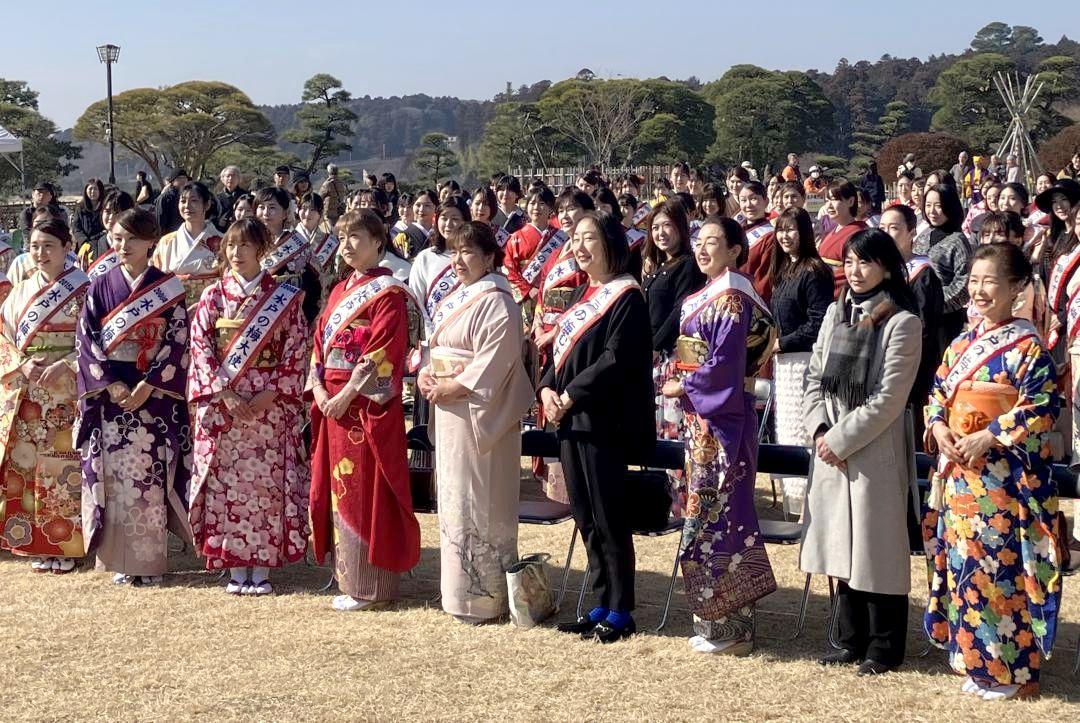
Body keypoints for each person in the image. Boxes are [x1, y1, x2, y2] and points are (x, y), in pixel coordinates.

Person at [924, 242, 1063, 700]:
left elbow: (1043, 404)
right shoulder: (963, 342)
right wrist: (939, 426)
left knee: (1001, 569)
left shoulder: (1027, 346)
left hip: (1003, 479)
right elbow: (938, 393)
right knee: (965, 566)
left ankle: (1014, 672)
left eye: (991, 282)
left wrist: (992, 434)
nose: (980, 291)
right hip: (962, 476)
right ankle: (977, 661)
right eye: (974, 281)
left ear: (1017, 287)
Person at [801, 228, 922, 676]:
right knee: (842, 543)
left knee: (878, 548)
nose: (854, 271)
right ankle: (848, 639)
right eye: (849, 262)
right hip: (831, 441)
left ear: (887, 266)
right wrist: (818, 428)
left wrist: (839, 439)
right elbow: (815, 375)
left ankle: (884, 645)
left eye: (865, 262)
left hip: (874, 449)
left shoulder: (902, 322)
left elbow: (890, 398)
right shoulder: (838, 312)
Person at [660, 215, 778, 655]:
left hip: (721, 421)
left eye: (714, 242)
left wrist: (684, 384)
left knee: (722, 514)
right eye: (700, 241)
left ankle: (733, 629)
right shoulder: (706, 296)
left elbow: (725, 366)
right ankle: (713, 621)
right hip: (702, 420)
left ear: (735, 250)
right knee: (704, 512)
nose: (704, 249)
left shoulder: (731, 298)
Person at [540, 211, 654, 643]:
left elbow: (615, 359)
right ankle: (599, 602)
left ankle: (622, 609)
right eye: (575, 239)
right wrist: (548, 390)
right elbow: (559, 358)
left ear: (610, 243)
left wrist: (569, 396)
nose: (580, 247)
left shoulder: (627, 297)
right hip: (570, 422)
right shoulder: (580, 298)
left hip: (603, 422)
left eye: (589, 238)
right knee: (586, 516)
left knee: (609, 517)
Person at [417, 221, 533, 622]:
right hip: (450, 411)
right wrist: (427, 373)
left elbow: (497, 359)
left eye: (468, 252)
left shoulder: (499, 300)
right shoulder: (458, 297)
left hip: (476, 412)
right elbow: (433, 347)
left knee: (480, 497)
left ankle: (485, 597)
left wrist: (456, 384)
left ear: (489, 257)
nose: (459, 260)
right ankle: (457, 593)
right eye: (455, 251)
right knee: (454, 497)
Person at [187, 218, 310, 595]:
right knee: (228, 487)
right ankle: (235, 564)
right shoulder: (213, 297)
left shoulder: (284, 298)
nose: (236, 254)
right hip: (226, 408)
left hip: (269, 410)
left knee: (266, 488)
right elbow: (201, 349)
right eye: (230, 247)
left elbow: (296, 351)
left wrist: (270, 395)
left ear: (262, 250)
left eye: (245, 246)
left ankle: (263, 566)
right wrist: (224, 393)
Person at [307, 210, 419, 611]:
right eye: (342, 237)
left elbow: (383, 351)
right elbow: (319, 347)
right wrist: (320, 389)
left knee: (366, 490)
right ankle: (348, 578)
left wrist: (346, 394)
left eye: (357, 236)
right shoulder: (338, 291)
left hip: (364, 408)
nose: (348, 245)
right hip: (334, 406)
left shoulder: (388, 292)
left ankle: (372, 586)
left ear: (377, 241)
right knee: (339, 491)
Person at [75, 208, 191, 586]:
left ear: (150, 241)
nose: (122, 246)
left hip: (151, 397)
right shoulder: (99, 285)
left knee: (148, 480)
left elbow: (176, 342)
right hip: (112, 395)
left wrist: (149, 385)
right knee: (113, 478)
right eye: (117, 238)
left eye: (132, 239)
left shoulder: (168, 289)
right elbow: (87, 341)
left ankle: (148, 563)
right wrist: (110, 383)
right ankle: (117, 561)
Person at [0, 219, 90, 574]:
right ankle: (35, 542)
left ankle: (65, 544)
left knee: (62, 466)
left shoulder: (84, 289)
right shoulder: (19, 291)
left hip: (66, 389)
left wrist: (67, 363)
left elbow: (94, 341)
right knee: (27, 464)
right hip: (30, 390)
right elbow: (3, 336)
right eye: (35, 246)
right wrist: (22, 364)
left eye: (49, 245)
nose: (40, 253)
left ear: (67, 246)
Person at [766, 208, 833, 515]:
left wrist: (783, 342)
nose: (785, 236)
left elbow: (819, 322)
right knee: (788, 432)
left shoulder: (813, 270)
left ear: (804, 232)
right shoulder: (784, 270)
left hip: (806, 361)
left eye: (791, 230)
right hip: (784, 365)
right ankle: (794, 507)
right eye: (781, 230)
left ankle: (812, 508)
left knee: (806, 433)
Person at [643, 199, 705, 466]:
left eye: (667, 225)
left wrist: (656, 346)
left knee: (672, 427)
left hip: (671, 357)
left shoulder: (688, 265)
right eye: (655, 227)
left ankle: (676, 498)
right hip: (653, 356)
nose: (661, 233)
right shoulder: (659, 267)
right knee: (656, 427)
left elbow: (681, 310)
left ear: (681, 227)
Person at [880, 203, 945, 447]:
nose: (887, 233)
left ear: (911, 232)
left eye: (894, 228)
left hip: (912, 366)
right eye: (883, 227)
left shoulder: (922, 273)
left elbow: (925, 327)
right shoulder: (880, 271)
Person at [255, 186, 322, 325]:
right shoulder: (248, 242)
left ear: (285, 213)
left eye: (272, 207)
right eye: (261, 207)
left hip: (290, 320)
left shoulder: (298, 246)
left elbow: (317, 284)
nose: (266, 213)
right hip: (253, 319)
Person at [152, 181, 224, 311]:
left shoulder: (222, 241)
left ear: (207, 205)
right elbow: (155, 279)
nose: (187, 206)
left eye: (194, 201)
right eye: (183, 201)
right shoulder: (167, 241)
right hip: (174, 308)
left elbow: (229, 279)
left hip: (211, 308)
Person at [915, 183, 971, 340]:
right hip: (918, 315)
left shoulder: (958, 241)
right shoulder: (924, 235)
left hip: (945, 321)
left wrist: (935, 304)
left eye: (938, 206)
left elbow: (963, 283)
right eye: (928, 205)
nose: (932, 211)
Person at [503, 186, 564, 327]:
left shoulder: (561, 237)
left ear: (550, 208)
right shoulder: (516, 238)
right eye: (532, 203)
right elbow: (509, 270)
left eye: (542, 204)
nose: (536, 207)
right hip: (526, 299)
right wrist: (529, 291)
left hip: (553, 295)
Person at [817, 181, 866, 296]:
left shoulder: (858, 233)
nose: (828, 206)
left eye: (834, 200)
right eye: (827, 200)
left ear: (851, 201)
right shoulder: (832, 232)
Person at [295, 191, 339, 305]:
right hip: (295, 294)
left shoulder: (330, 241)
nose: (307, 213)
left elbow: (334, 271)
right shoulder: (289, 239)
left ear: (320, 213)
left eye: (313, 210)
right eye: (303, 208)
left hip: (321, 295)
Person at [735, 181, 776, 300]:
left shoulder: (770, 236)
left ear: (766, 201)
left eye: (753, 199)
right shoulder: (736, 230)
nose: (748, 205)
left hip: (750, 300)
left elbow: (764, 280)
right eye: (743, 200)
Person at [86, 190, 136, 279]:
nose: (111, 217)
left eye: (117, 212)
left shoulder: (140, 245)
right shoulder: (90, 248)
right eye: (108, 211)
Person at [393, 190, 437, 260]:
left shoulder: (440, 234)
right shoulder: (403, 237)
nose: (421, 209)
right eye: (418, 205)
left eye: (427, 205)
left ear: (435, 207)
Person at [73, 178, 107, 265]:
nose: (92, 191)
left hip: (102, 246)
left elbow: (106, 229)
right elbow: (76, 228)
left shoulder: (105, 208)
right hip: (84, 246)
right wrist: (84, 242)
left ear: (100, 190)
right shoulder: (80, 208)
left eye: (95, 189)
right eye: (90, 189)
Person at [155, 169, 190, 234]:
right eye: (179, 178)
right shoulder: (164, 198)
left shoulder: (188, 197)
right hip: (169, 236)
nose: (183, 180)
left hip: (185, 234)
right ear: (173, 181)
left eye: (185, 178)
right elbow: (160, 222)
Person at [215, 166, 248, 231]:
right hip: (221, 231)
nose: (230, 178)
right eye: (228, 176)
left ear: (239, 179)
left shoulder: (246, 196)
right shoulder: (217, 198)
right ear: (222, 179)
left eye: (233, 176)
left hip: (242, 228)